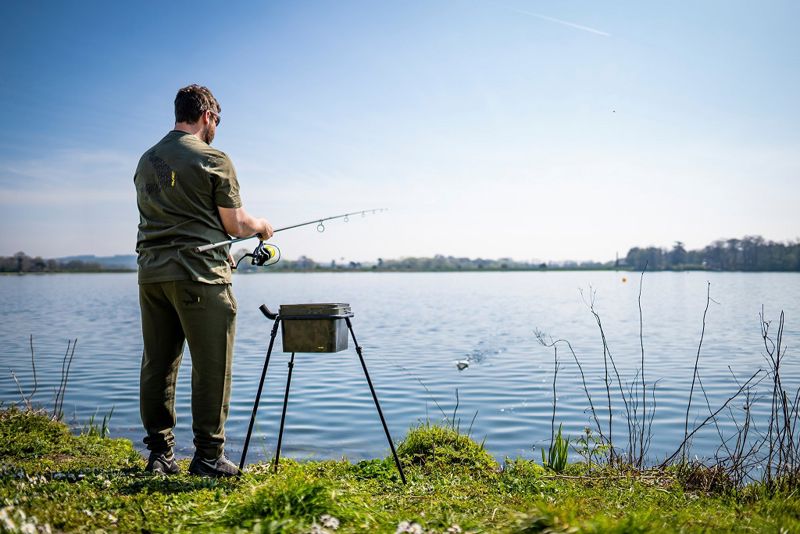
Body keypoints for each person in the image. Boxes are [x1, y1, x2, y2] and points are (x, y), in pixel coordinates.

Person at [134, 84, 273, 477]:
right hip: (200, 277)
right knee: (212, 366)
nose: (217, 128)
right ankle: (209, 457)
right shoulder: (214, 157)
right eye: (218, 121)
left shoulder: (146, 159)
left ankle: (160, 455)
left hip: (152, 275)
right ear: (207, 116)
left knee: (158, 364)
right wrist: (261, 226)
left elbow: (179, 219)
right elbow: (236, 224)